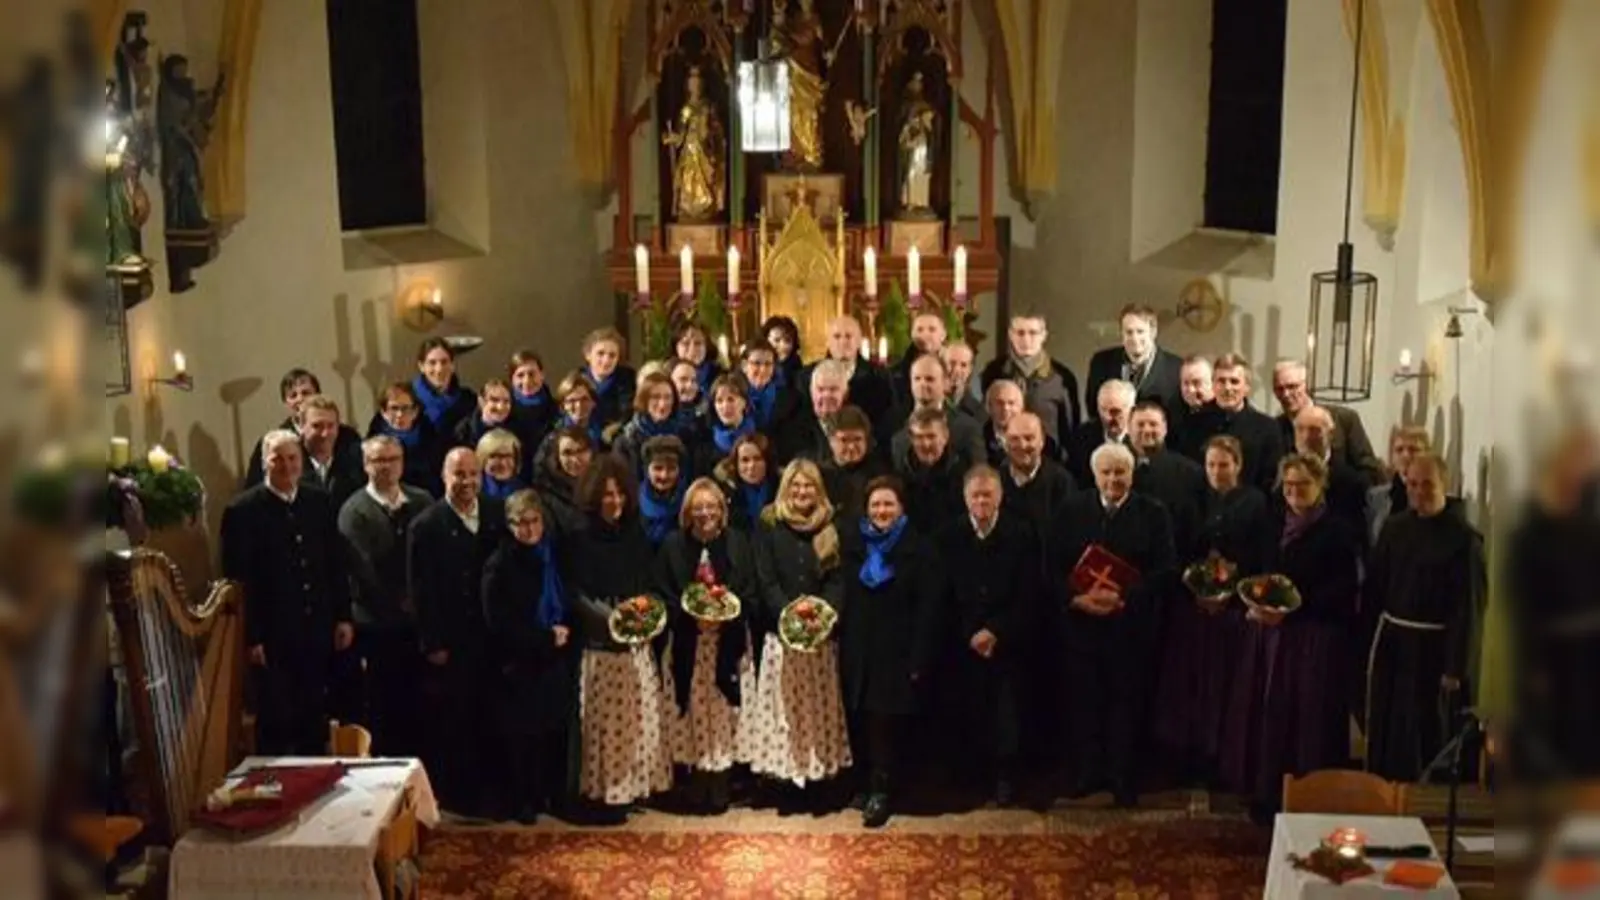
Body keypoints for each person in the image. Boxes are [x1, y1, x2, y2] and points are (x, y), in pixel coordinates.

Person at [1219, 454, 1364, 820]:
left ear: (1320, 486)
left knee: (1304, 719)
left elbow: (1344, 587)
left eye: (1302, 485)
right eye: (1288, 486)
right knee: (1266, 713)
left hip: (1312, 640)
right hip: (1270, 637)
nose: (1294, 492)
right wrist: (1251, 599)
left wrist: (1295, 608)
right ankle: (1265, 792)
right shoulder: (1271, 524)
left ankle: (1308, 795)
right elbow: (1254, 570)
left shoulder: (1338, 531)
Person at [1050, 442, 1176, 807]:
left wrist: (1125, 599)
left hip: (1130, 628)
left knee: (1127, 704)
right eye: (1106, 472)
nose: (1113, 479)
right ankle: (1087, 773)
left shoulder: (1153, 512)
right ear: (1094, 475)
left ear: (1132, 474)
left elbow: (1166, 569)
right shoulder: (1071, 510)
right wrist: (1077, 600)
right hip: (1081, 627)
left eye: (1120, 472)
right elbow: (1052, 566)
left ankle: (1122, 776)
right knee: (1084, 703)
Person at [220, 429, 354, 755]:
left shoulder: (318, 501)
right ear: (265, 462)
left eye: (292, 458)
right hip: (273, 636)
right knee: (276, 720)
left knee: (314, 716)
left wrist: (343, 617)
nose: (286, 465)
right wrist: (251, 638)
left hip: (317, 627)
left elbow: (335, 564)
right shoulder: (242, 511)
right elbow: (238, 581)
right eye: (277, 458)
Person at [1151, 435, 1269, 784]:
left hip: (1233, 612)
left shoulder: (1255, 502)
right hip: (1194, 609)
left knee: (1228, 686)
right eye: (1211, 465)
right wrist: (1197, 586)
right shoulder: (1191, 501)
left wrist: (1232, 584)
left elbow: (1261, 554)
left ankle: (1226, 759)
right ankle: (1189, 756)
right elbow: (1179, 549)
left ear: (1238, 465)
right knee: (1190, 685)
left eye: (1224, 464)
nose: (1217, 471)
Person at [1364, 453, 1486, 781]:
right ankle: (1384, 790)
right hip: (1393, 642)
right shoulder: (1394, 528)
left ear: (1444, 484)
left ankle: (1421, 798)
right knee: (1389, 727)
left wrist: (1455, 667)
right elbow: (1377, 586)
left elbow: (1469, 608)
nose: (1418, 491)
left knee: (1424, 728)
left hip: (1434, 651)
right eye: (1412, 484)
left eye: (1427, 484)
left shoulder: (1464, 540)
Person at [566, 455, 673, 823]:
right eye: (606, 495)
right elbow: (574, 591)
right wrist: (609, 621)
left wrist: (642, 613)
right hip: (599, 644)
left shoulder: (635, 532)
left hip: (634, 640)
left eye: (619, 495)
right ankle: (604, 792)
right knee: (604, 726)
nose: (614, 501)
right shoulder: (579, 536)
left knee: (635, 719)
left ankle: (630, 787)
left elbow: (648, 583)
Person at [932, 465, 1042, 806]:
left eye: (988, 495)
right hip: (961, 642)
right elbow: (941, 595)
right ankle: (969, 778)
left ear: (1000, 497)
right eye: (976, 495)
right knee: (965, 712)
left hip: (1007, 642)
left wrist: (996, 631)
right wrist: (970, 633)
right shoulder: (947, 536)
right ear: (965, 498)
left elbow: (1030, 593)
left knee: (1006, 715)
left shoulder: (1021, 535)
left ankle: (1004, 778)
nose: (982, 501)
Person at [406, 447, 505, 818]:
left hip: (491, 637)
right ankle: (461, 797)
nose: (466, 482)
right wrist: (433, 642)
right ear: (444, 477)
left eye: (473, 474)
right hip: (452, 639)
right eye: (458, 474)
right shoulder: (426, 525)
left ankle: (494, 794)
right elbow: (421, 590)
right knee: (457, 720)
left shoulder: (497, 514)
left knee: (492, 716)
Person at [749, 459, 852, 809]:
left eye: (808, 485)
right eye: (795, 485)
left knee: (817, 709)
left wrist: (820, 618)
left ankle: (819, 779)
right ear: (785, 488)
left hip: (820, 638)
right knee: (787, 712)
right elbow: (766, 579)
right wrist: (790, 617)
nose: (802, 491)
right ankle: (787, 782)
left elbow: (837, 579)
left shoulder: (829, 523)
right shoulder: (768, 523)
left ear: (818, 489)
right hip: (782, 635)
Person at [838, 476, 939, 827]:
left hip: (897, 651)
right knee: (861, 718)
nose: (882, 511)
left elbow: (929, 607)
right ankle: (864, 783)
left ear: (901, 509)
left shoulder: (919, 547)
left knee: (886, 723)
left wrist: (919, 657)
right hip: (859, 649)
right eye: (876, 505)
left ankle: (884, 789)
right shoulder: (853, 543)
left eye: (888, 505)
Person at [655, 478, 761, 813]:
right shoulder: (673, 545)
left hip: (727, 644)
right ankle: (699, 778)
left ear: (722, 510)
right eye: (698, 507)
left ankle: (722, 780)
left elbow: (749, 590)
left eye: (711, 506)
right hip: (689, 643)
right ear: (688, 512)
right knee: (695, 711)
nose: (705, 513)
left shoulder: (738, 543)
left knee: (724, 711)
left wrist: (725, 616)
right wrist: (690, 618)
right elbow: (662, 592)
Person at [482, 489, 577, 824]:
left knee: (554, 729)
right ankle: (524, 800)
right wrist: (545, 637)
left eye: (533, 521)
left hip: (556, 654)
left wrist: (562, 632)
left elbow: (568, 597)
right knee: (524, 736)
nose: (528, 529)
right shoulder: (500, 564)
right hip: (519, 662)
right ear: (509, 525)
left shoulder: (554, 553)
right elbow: (500, 623)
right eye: (519, 523)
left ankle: (551, 795)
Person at [336, 435, 432, 758]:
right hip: (378, 626)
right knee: (385, 704)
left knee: (421, 703)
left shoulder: (421, 501)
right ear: (366, 465)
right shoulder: (354, 510)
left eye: (393, 459)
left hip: (418, 625)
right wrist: (398, 601)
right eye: (379, 460)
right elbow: (362, 570)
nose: (387, 466)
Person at [243, 368, 362, 488]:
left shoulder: (348, 436)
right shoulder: (272, 443)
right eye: (293, 395)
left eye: (306, 393)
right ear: (286, 402)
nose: (300, 399)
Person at [1271, 359, 1384, 485]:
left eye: (1292, 386)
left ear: (1307, 385)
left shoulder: (1344, 418)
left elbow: (1369, 468)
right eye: (1279, 389)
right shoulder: (1273, 427)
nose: (1286, 394)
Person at [1182, 354, 1284, 493]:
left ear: (1247, 387)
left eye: (1234, 381)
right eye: (1221, 381)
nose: (1227, 388)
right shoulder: (1192, 424)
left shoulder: (1267, 428)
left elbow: (1270, 481)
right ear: (1213, 385)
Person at [978, 312, 1082, 445]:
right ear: (1011, 335)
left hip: (1049, 459)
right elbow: (985, 419)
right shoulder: (994, 372)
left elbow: (1071, 428)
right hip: (1001, 458)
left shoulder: (1062, 377)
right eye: (1020, 333)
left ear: (1044, 335)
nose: (1026, 340)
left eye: (1033, 333)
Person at [1084, 304, 1184, 426]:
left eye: (1140, 331)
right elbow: (1093, 408)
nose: (1134, 338)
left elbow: (1178, 415)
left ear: (1153, 332)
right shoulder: (1101, 362)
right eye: (1129, 332)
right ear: (1122, 333)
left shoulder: (1176, 368)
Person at [890, 354, 985, 468]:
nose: (922, 384)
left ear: (945, 382)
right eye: (917, 379)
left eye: (929, 379)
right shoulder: (894, 424)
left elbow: (979, 473)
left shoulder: (967, 428)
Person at [998, 411, 1076, 544]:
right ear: (1005, 443)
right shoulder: (995, 481)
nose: (1022, 446)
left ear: (1042, 441)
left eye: (1029, 438)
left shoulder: (1062, 482)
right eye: (1014, 439)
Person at [367, 381, 446, 497]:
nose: (399, 414)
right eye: (394, 408)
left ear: (415, 411)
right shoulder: (372, 445)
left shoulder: (431, 439)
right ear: (383, 412)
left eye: (405, 408)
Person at [893, 407, 966, 527]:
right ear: (911, 439)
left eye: (931, 436)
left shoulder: (962, 473)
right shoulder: (899, 474)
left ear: (945, 437)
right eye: (919, 437)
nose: (926, 444)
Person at [294, 395, 365, 511]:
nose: (325, 433)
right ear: (301, 426)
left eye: (331, 426)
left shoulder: (356, 463)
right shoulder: (289, 463)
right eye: (317, 426)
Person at [820, 405, 890, 523]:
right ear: (831, 441)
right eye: (844, 440)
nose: (851, 447)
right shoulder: (818, 476)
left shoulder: (881, 476)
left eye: (857, 439)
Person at [611, 372, 684, 476]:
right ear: (644, 400)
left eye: (668, 397)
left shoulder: (686, 435)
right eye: (656, 397)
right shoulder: (626, 441)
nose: (662, 404)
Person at [1065, 379, 1136, 486]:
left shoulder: (1141, 439)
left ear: (1131, 410)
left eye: (1115, 412)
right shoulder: (1081, 437)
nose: (1107, 418)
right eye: (1103, 410)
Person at [532, 426, 593, 538]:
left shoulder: (603, 485)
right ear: (557, 457)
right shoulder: (546, 497)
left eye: (581, 451)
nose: (575, 460)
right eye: (567, 453)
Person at [412, 337, 478, 439]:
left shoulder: (468, 399)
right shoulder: (408, 398)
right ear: (421, 366)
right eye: (432, 363)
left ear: (452, 365)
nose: (439, 369)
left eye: (444, 362)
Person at [694, 374, 757, 478]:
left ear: (744, 402)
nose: (725, 406)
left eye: (731, 399)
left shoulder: (760, 437)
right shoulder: (704, 444)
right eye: (719, 401)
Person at [713, 432, 777, 531]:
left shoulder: (782, 490)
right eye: (745, 460)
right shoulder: (723, 494)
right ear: (736, 464)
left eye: (757, 459)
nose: (751, 466)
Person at [739, 340, 802, 434]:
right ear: (744, 366)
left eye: (768, 364)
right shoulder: (732, 395)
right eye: (757, 363)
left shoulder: (790, 398)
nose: (763, 370)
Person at [581, 327, 637, 432]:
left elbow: (627, 415)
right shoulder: (577, 380)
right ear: (588, 355)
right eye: (600, 354)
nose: (606, 360)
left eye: (612, 356)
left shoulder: (628, 381)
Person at [638, 435, 689, 549]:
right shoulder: (633, 502)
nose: (664, 475)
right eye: (658, 468)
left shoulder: (689, 502)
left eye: (671, 468)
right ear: (647, 470)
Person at [941, 341, 987, 424]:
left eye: (963, 365)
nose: (957, 370)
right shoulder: (926, 405)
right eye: (952, 363)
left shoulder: (980, 413)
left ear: (970, 370)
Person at [675, 322, 725, 397]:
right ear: (676, 347)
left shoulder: (720, 376)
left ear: (706, 347)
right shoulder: (666, 376)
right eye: (685, 343)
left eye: (698, 343)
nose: (692, 349)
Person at [475, 428, 526, 500]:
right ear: (482, 459)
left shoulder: (524, 493)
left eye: (508, 456)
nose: (503, 463)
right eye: (495, 456)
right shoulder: (472, 490)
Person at [762, 315, 804, 388]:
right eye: (777, 340)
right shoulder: (755, 363)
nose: (783, 346)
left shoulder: (796, 364)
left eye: (787, 340)